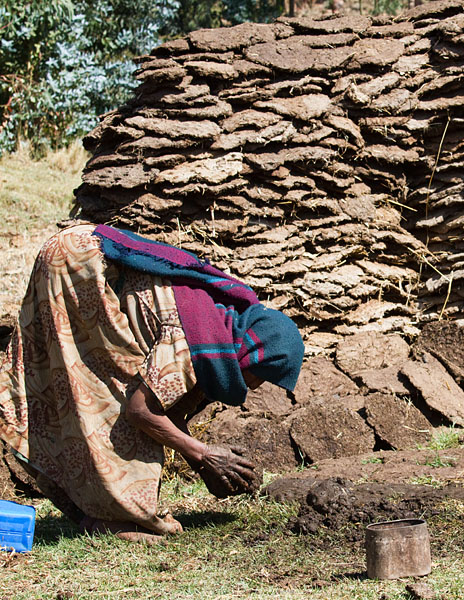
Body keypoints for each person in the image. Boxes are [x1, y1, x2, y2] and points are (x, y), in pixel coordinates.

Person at [0, 223, 304, 543]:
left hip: (74, 251)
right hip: (82, 265)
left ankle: (102, 513)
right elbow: (141, 410)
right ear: (251, 355)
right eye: (262, 375)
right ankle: (116, 518)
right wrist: (204, 454)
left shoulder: (216, 327)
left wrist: (202, 466)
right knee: (110, 397)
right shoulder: (195, 342)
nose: (256, 387)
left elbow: (169, 412)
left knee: (98, 389)